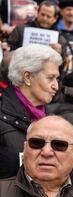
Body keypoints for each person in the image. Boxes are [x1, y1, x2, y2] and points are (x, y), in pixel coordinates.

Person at [0, 44, 62, 179]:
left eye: (57, 79)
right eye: (50, 78)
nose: (56, 86)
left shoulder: (51, 121)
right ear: (27, 77)